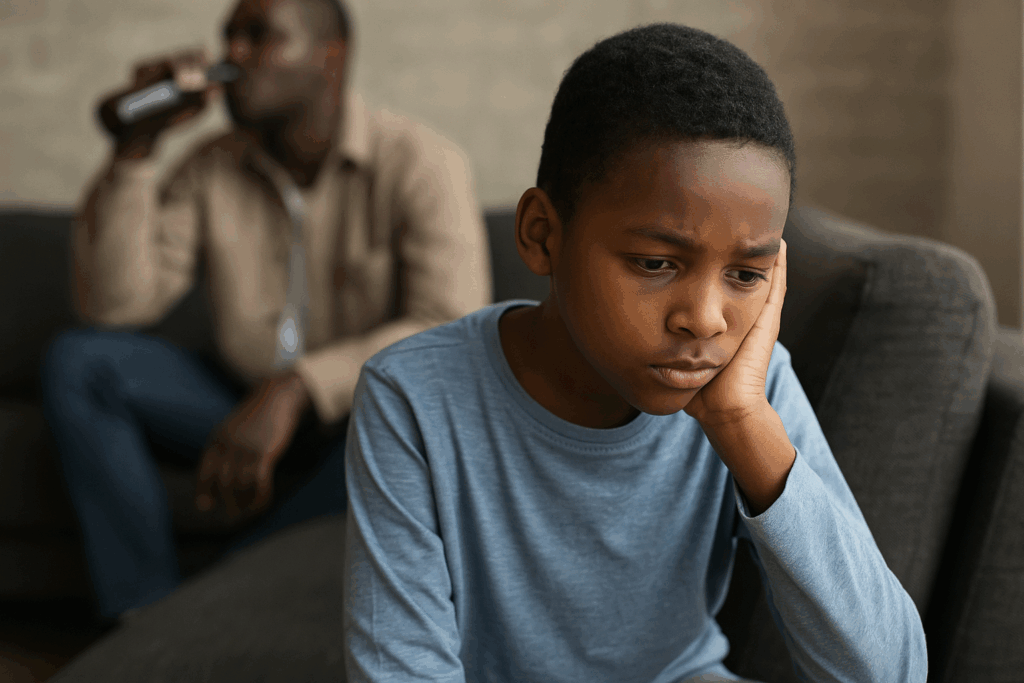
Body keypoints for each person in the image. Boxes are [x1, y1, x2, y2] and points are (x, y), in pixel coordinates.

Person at [342, 23, 928, 683]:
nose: (704, 319)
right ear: (542, 235)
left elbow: (889, 672)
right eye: (655, 261)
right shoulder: (412, 396)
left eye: (746, 274)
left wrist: (742, 422)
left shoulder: (750, 390)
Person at [41, 0, 490, 624]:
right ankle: (139, 616)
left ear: (331, 56)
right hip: (235, 403)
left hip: (360, 427)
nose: (233, 55)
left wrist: (300, 387)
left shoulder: (423, 162)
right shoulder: (209, 167)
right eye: (229, 37)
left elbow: (449, 332)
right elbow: (115, 308)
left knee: (427, 438)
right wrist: (135, 152)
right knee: (80, 362)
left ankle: (200, 610)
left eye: (259, 36)